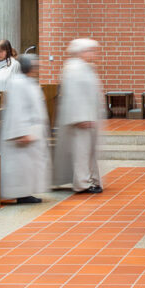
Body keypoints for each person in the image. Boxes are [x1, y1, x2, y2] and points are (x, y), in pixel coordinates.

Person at [0, 55, 51, 204]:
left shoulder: (28, 82)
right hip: (20, 133)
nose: (37, 69)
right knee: (19, 167)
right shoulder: (18, 83)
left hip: (30, 130)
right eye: (35, 66)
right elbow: (16, 109)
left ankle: (25, 192)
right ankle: (20, 194)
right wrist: (21, 133)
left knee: (27, 166)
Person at [54, 38, 104, 193]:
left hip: (90, 117)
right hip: (80, 119)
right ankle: (82, 184)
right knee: (81, 153)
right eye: (91, 50)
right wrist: (80, 118)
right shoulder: (73, 68)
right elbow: (73, 95)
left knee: (89, 152)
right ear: (82, 52)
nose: (94, 54)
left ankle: (93, 179)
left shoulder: (86, 67)